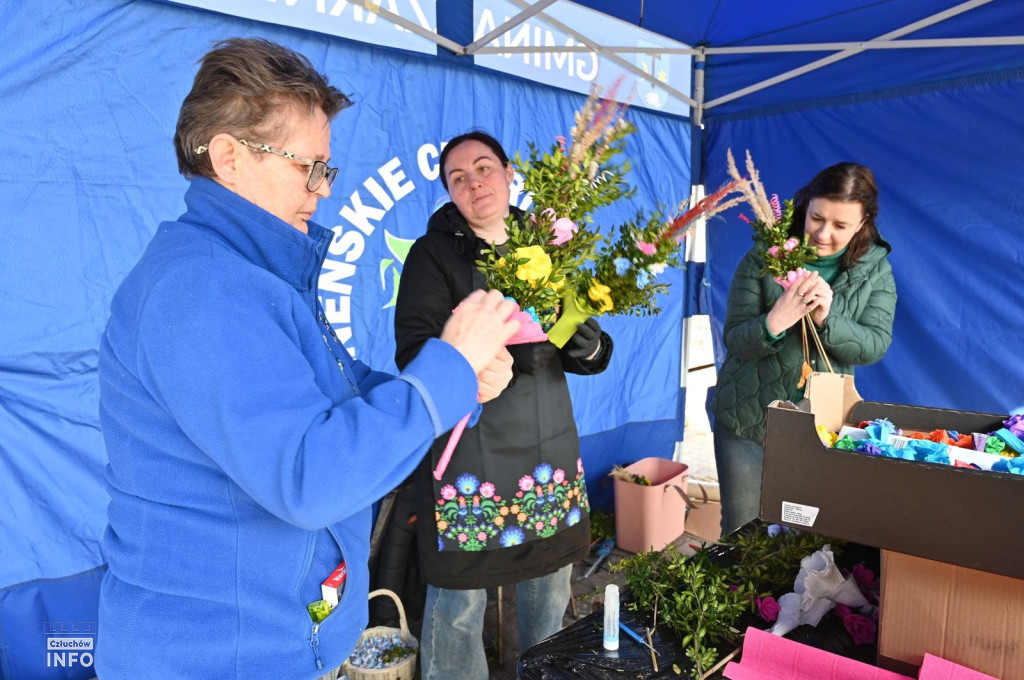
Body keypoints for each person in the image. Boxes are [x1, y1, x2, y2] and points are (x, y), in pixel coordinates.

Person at [96, 39, 520, 680]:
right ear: (229, 157)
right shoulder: (202, 289)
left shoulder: (253, 274)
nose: (321, 190)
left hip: (275, 644)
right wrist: (444, 375)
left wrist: (459, 381)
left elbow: (340, 395)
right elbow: (309, 476)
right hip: (219, 660)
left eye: (327, 169)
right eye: (309, 167)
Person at [393, 131, 613, 679]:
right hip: (471, 454)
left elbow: (590, 351)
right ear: (450, 193)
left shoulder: (552, 247)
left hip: (546, 448)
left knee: (550, 588)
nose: (474, 183)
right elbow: (414, 349)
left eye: (483, 168)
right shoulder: (432, 254)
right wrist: (471, 366)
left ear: (509, 173)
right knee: (459, 603)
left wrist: (584, 342)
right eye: (458, 178)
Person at [710, 162, 897, 534]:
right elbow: (735, 338)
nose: (824, 234)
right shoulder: (766, 254)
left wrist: (829, 318)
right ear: (805, 205)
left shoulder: (874, 270)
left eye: (840, 225)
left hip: (818, 427)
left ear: (863, 223)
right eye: (817, 218)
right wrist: (774, 322)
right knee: (741, 529)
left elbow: (875, 345)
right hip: (747, 417)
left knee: (804, 531)